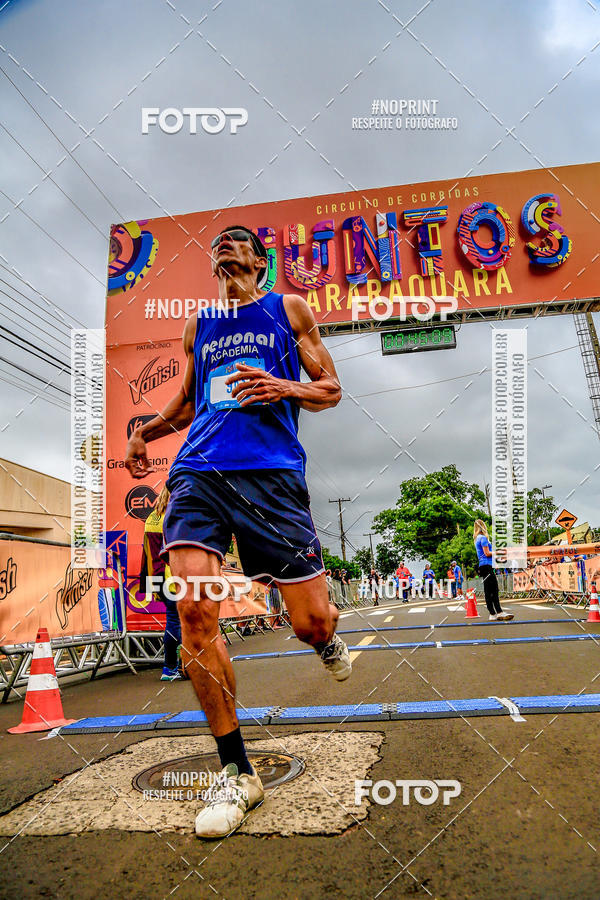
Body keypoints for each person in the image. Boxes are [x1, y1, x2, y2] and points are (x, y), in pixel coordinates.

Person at [124, 224, 349, 839]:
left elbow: (330, 388)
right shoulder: (198, 324)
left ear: (259, 259)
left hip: (271, 476)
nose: (224, 244)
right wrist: (146, 431)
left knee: (311, 622)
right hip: (198, 472)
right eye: (218, 241)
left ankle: (327, 641)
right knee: (194, 607)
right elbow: (188, 404)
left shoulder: (288, 309)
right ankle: (236, 769)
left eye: (238, 239)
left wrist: (282, 386)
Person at [139, 485, 183, 681]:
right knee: (178, 622)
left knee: (173, 620)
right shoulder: (174, 516)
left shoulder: (151, 518)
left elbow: (147, 553)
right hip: (174, 576)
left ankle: (171, 666)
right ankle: (175, 666)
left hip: (156, 576)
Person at [473, 520, 513, 621]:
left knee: (488, 590)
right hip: (486, 565)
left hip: (483, 566)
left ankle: (492, 613)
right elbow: (487, 553)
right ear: (483, 527)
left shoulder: (477, 538)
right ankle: (498, 612)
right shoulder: (483, 538)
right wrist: (498, 552)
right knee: (494, 589)